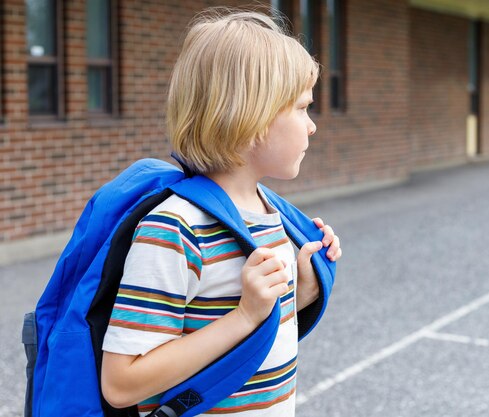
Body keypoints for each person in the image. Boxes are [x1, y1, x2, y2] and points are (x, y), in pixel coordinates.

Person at [99, 7, 342, 416]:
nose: (312, 126)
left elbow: (257, 336)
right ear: (253, 118)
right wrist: (245, 315)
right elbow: (121, 383)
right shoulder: (175, 228)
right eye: (302, 108)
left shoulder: (273, 216)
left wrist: (303, 290)